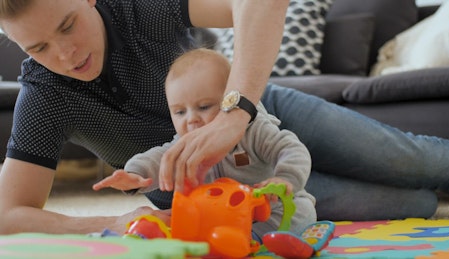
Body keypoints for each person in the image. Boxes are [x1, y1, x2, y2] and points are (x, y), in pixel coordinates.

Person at [1, 0, 449, 235]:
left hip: (264, 112)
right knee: (410, 205)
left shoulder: (140, 9)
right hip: (225, 192)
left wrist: (233, 113)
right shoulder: (46, 95)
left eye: (67, 26)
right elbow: (7, 213)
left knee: (412, 160)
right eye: (37, 48)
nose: (65, 54)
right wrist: (105, 222)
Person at [92, 48, 317, 240]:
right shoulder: (185, 143)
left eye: (204, 107)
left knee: (299, 214)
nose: (191, 119)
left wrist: (285, 178)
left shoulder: (253, 131)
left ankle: (251, 240)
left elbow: (292, 149)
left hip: (274, 209)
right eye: (180, 111)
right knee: (188, 222)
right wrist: (134, 174)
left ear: (229, 101)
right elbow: (159, 157)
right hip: (221, 216)